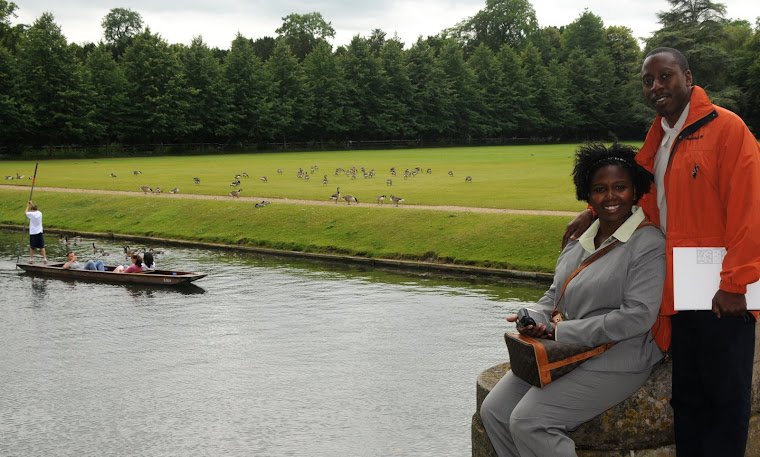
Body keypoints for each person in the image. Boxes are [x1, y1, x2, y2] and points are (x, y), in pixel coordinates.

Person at [563, 47, 760, 457]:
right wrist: (590, 214)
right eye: (648, 80)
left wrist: (736, 281)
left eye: (665, 76)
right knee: (687, 398)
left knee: (725, 400)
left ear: (688, 78)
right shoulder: (660, 133)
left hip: (723, 292)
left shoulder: (727, 128)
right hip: (679, 289)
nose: (656, 86)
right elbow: (636, 190)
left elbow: (750, 209)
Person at [480, 142, 666, 457]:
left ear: (635, 191)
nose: (610, 196)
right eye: (600, 189)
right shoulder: (580, 240)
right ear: (588, 195)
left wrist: (558, 332)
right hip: (567, 353)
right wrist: (534, 317)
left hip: (618, 357)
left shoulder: (647, 243)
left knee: (530, 422)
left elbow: (637, 317)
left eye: (619, 187)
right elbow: (555, 295)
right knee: (494, 411)